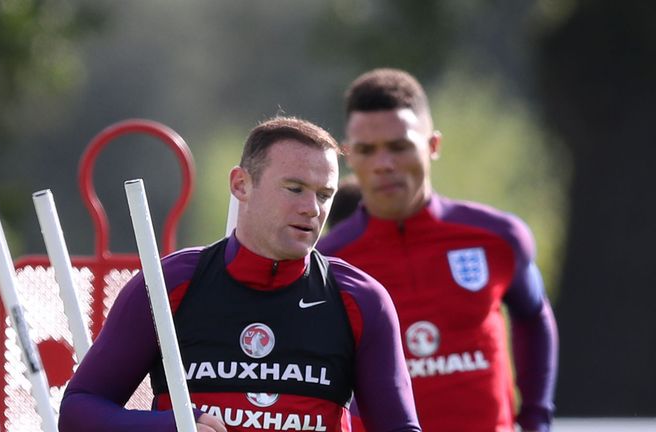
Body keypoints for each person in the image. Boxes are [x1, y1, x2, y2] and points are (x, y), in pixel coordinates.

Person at [59, 116, 421, 432]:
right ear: (241, 185)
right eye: (294, 188)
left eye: (324, 194)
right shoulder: (170, 283)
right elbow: (78, 410)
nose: (312, 208)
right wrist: (170, 426)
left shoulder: (360, 298)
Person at [317, 69, 558, 432]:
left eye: (399, 146)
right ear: (349, 157)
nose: (384, 164)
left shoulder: (497, 237)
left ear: (432, 145)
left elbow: (534, 315)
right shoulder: (327, 263)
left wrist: (536, 418)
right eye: (367, 150)